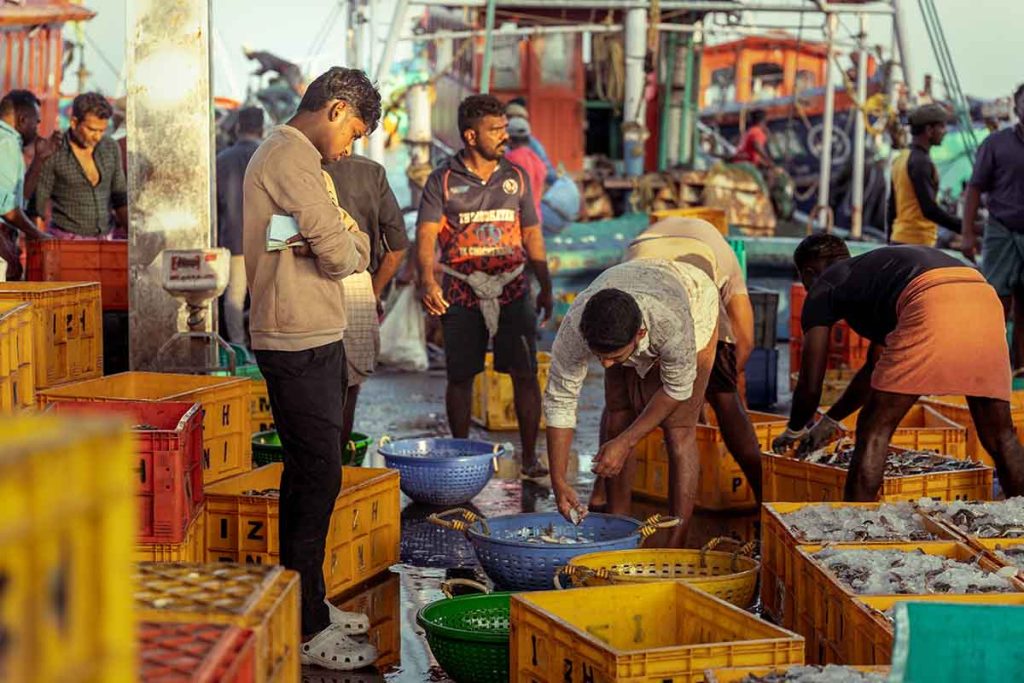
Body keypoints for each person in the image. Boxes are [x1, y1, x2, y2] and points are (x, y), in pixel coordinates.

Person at [243, 67, 380, 670]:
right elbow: (339, 252)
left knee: (313, 472)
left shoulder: (309, 165)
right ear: (336, 107)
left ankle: (309, 602)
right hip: (294, 336)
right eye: (354, 130)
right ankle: (306, 627)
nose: (352, 145)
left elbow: (359, 248)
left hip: (317, 330)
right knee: (318, 473)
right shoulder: (289, 157)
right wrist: (333, 240)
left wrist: (334, 240)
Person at [772, 234, 1024, 502]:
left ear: (809, 272)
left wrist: (795, 430)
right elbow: (875, 369)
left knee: (874, 428)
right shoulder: (876, 272)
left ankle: (854, 524)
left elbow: (811, 383)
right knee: (1000, 435)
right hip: (982, 296)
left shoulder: (824, 285)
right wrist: (830, 421)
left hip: (930, 297)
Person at [417, 94, 553, 478]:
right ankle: (461, 458)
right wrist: (428, 281)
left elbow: (532, 234)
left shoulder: (516, 177)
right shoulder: (441, 180)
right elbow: (425, 236)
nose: (504, 137)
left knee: (525, 374)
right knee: (460, 376)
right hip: (461, 289)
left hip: (513, 288)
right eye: (495, 130)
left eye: (505, 129)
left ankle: (529, 459)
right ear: (470, 136)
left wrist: (545, 285)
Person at [587, 216, 764, 511]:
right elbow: (745, 341)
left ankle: (602, 495)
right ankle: (765, 499)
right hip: (653, 269)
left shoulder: (712, 260)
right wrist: (707, 390)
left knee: (623, 404)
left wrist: (696, 389)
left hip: (644, 256)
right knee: (723, 397)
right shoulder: (724, 258)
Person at [546, 257, 721, 547]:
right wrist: (558, 481)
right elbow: (559, 400)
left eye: (614, 356)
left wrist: (626, 441)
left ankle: (676, 542)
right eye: (599, 355)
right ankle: (619, 527)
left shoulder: (671, 324)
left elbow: (677, 389)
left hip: (692, 296)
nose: (605, 364)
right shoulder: (575, 327)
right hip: (628, 285)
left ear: (639, 335)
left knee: (678, 431)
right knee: (618, 412)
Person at [323, 153, 410, 446]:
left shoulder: (297, 165)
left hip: (308, 281)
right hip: (358, 283)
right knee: (349, 383)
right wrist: (372, 291)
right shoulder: (371, 171)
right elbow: (397, 247)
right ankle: (337, 465)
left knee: (311, 381)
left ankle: (318, 465)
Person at [962, 84, 1024, 368]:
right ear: (1016, 106)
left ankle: (1019, 367)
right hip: (1000, 230)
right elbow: (974, 189)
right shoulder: (996, 143)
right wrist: (966, 234)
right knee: (997, 301)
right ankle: (991, 366)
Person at [34, 92, 128, 239]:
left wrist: (132, 241)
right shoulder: (53, 150)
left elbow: (120, 196)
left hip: (106, 241)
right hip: (66, 242)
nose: (97, 136)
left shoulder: (111, 147)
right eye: (91, 129)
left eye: (102, 130)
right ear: (74, 122)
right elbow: (37, 206)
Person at [216, 106, 264, 345]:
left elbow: (215, 203)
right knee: (266, 295)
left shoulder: (222, 159)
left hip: (233, 238)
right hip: (268, 240)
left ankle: (237, 345)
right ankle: (263, 343)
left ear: (237, 127)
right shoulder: (268, 156)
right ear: (262, 128)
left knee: (234, 296)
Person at [887, 103, 961, 246]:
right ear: (929, 130)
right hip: (917, 242)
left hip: (899, 239)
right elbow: (929, 210)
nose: (945, 132)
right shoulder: (921, 162)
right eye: (942, 126)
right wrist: (966, 227)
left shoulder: (901, 158)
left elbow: (892, 207)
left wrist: (889, 243)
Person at [0, 89, 51, 280]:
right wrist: (38, 234)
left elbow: (19, 201)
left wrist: (39, 160)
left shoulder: (11, 143)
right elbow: (6, 208)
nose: (37, 128)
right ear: (22, 120)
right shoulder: (5, 143)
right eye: (36, 122)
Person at [505, 98, 556, 184]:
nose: (516, 121)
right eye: (511, 117)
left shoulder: (534, 147)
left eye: (519, 117)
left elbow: (550, 174)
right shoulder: (535, 157)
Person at [504, 117, 546, 221]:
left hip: (516, 221)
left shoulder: (509, 159)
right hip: (535, 219)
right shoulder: (538, 161)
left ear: (508, 138)